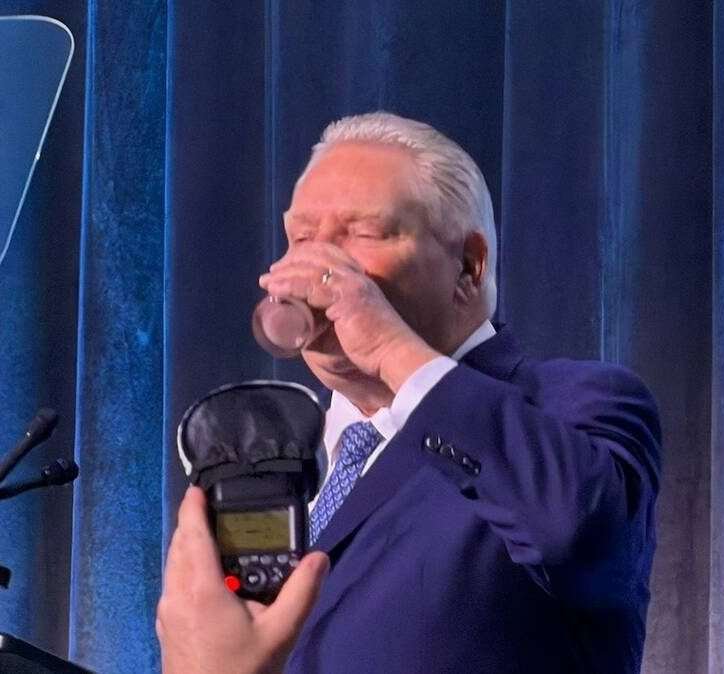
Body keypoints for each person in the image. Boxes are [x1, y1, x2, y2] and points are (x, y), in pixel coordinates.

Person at [157, 112, 661, 673]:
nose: (314, 266)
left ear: (468, 267)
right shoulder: (285, 455)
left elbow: (574, 530)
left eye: (364, 233)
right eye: (301, 237)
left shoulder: (574, 403)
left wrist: (393, 351)